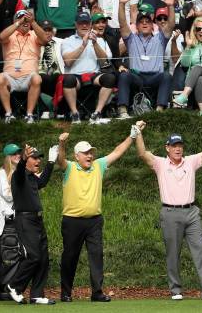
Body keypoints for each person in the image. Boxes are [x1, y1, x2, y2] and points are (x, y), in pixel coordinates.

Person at [134, 119, 202, 300]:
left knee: (199, 249)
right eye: (174, 146)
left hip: (191, 212)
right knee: (173, 253)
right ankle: (175, 290)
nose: (178, 149)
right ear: (167, 147)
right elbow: (142, 154)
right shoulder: (160, 163)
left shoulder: (190, 162)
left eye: (180, 145)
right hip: (170, 213)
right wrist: (138, 132)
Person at [56, 129, 136, 303]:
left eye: (91, 152)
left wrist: (132, 135)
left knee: (96, 255)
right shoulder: (69, 167)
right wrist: (62, 143)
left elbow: (117, 152)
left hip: (94, 221)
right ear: (77, 156)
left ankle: (97, 292)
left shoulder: (98, 165)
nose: (90, 156)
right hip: (72, 221)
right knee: (70, 257)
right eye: (85, 153)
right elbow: (59, 160)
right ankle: (66, 292)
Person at [5, 143, 59, 305]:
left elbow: (42, 182)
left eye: (39, 159)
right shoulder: (19, 176)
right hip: (25, 221)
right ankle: (14, 286)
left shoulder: (32, 178)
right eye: (34, 158)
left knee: (43, 258)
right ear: (26, 160)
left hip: (37, 220)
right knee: (33, 256)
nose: (38, 161)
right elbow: (20, 170)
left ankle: (36, 294)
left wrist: (50, 162)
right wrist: (22, 159)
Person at [117, 0, 177, 118]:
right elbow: (122, 24)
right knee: (124, 75)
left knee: (166, 76)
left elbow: (171, 25)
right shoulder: (131, 39)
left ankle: (159, 110)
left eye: (147, 21)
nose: (144, 23)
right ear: (136, 26)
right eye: (141, 22)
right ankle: (123, 111)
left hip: (155, 77)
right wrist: (121, 4)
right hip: (137, 77)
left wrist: (170, 6)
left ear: (152, 25)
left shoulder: (160, 38)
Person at [61, 12, 116, 124]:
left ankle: (97, 113)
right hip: (75, 75)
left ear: (90, 24)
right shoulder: (68, 41)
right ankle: (75, 114)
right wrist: (83, 45)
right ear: (76, 25)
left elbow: (105, 62)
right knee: (68, 79)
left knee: (110, 78)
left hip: (93, 75)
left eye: (86, 23)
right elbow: (67, 62)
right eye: (81, 23)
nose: (84, 26)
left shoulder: (99, 40)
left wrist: (95, 43)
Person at [0, 10, 50, 124]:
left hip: (29, 78)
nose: (24, 21)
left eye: (26, 18)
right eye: (21, 18)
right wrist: (18, 23)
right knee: (0, 78)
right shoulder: (10, 34)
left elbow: (45, 39)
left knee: (37, 78)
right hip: (10, 77)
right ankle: (8, 114)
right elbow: (1, 37)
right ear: (15, 20)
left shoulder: (35, 34)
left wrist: (33, 22)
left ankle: (29, 115)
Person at [0, 144, 21, 300]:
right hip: (5, 219)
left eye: (18, 153)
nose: (18, 155)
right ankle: (1, 289)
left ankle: (7, 288)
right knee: (3, 255)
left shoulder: (15, 172)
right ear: (8, 156)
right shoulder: (2, 173)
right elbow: (8, 196)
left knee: (11, 253)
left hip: (14, 218)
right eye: (14, 154)